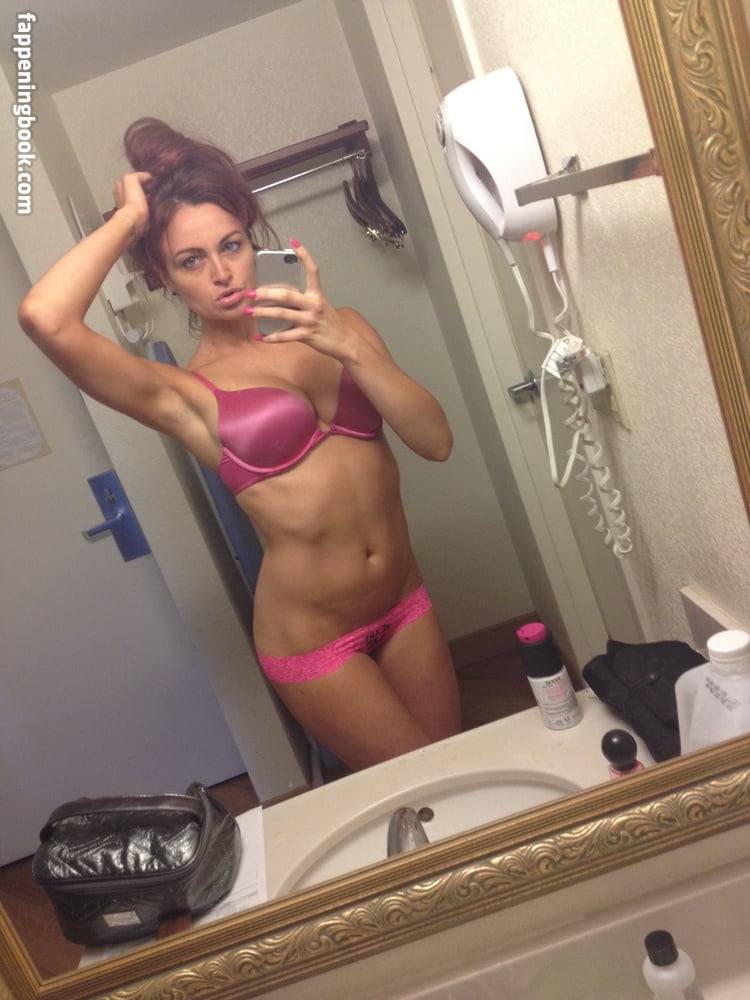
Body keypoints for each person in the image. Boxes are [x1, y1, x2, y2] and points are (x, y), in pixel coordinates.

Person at [18, 118, 461, 772]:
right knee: (420, 792)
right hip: (314, 640)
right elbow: (45, 318)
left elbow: (436, 441)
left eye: (231, 245)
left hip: (404, 598)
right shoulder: (185, 394)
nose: (222, 273)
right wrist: (127, 222)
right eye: (191, 260)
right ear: (164, 277)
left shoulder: (342, 328)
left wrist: (346, 347)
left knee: (460, 772)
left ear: (253, 241)